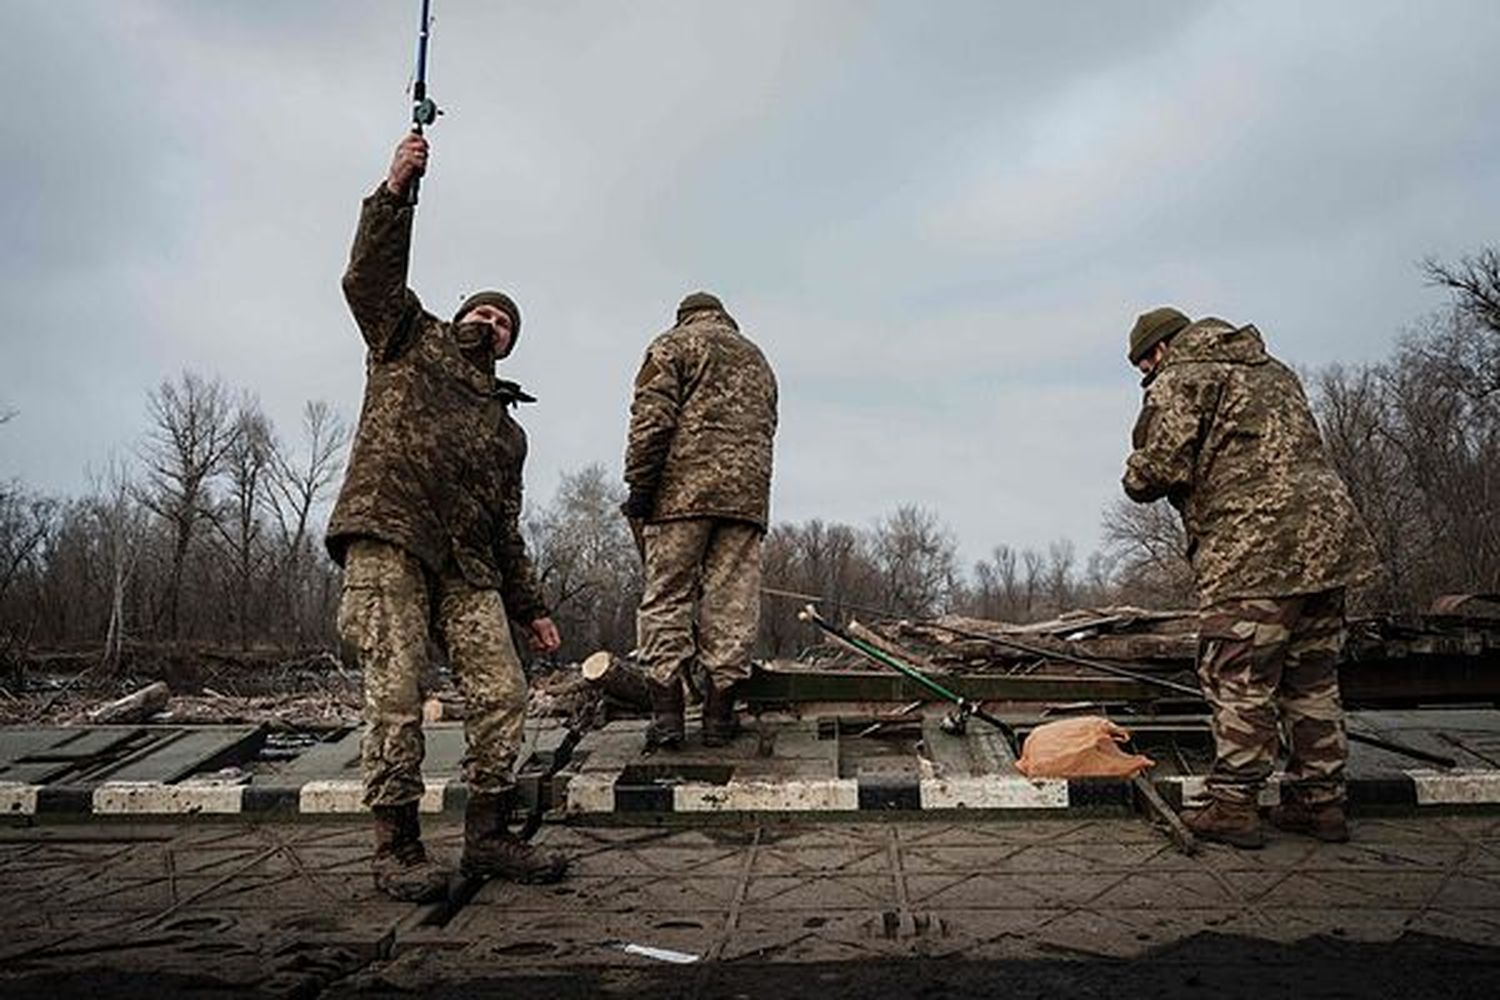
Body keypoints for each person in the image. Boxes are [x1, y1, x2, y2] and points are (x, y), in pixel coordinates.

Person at [326, 132, 567, 900]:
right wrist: (397, 188)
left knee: (503, 693)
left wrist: (531, 610)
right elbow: (368, 276)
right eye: (485, 311)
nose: (492, 323)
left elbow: (505, 526)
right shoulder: (407, 338)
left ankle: (489, 837)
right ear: (460, 315)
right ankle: (395, 847)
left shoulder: (506, 429)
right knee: (394, 695)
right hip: (391, 535)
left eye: (505, 324)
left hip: (469, 566)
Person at [1122, 307, 1381, 848]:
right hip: (1328, 541)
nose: (1148, 373)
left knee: (1236, 676)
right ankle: (1320, 804)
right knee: (1309, 677)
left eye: (1145, 362)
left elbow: (1160, 467)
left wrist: (1134, 473)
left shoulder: (1184, 375)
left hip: (1254, 547)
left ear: (1161, 350)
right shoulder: (1273, 369)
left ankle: (1234, 807)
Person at [623, 292, 778, 749]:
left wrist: (640, 487)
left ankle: (668, 719)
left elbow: (650, 420)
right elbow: (769, 425)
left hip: (680, 498)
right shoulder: (758, 359)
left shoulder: (672, 344)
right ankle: (718, 719)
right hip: (745, 503)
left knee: (667, 598)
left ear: (683, 317)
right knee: (732, 606)